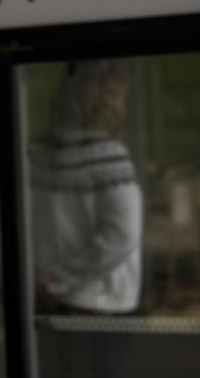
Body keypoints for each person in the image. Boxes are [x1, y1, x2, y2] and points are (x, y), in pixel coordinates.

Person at [30, 59, 143, 314]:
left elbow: (0, 230)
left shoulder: (36, 154)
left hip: (43, 297)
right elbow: (121, 235)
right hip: (101, 299)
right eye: (119, 96)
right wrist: (63, 277)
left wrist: (40, 277)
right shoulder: (109, 157)